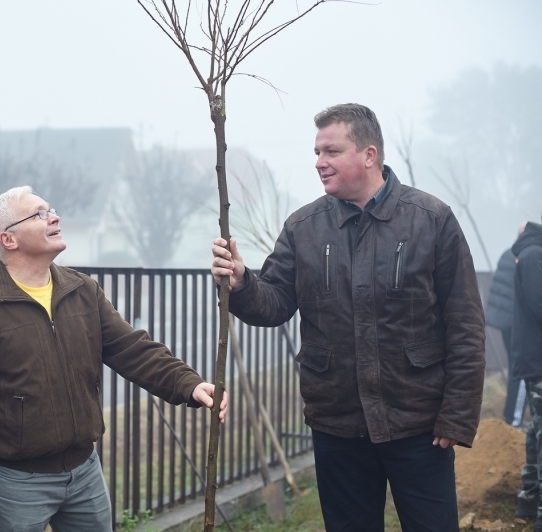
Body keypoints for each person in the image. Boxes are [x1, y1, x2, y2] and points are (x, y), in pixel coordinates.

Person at [211, 103, 485, 532]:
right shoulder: (304, 228)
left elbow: (465, 324)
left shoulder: (431, 220)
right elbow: (275, 303)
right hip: (338, 426)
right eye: (317, 152)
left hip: (419, 424)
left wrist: (457, 415)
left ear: (369, 155)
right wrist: (243, 282)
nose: (319, 163)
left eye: (331, 151)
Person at [0, 186, 228, 531]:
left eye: (50, 209)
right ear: (9, 240)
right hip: (16, 483)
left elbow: (132, 349)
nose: (54, 217)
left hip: (85, 472)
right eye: (39, 214)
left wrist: (189, 384)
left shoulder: (82, 290)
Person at [511, 218, 542, 530]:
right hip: (539, 360)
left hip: (535, 359)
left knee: (537, 433)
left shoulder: (532, 253)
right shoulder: (534, 255)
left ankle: (528, 502)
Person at [486, 223, 528, 426]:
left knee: (515, 368)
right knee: (521, 370)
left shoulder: (506, 253)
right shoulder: (526, 256)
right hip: (516, 322)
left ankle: (512, 416)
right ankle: (514, 419)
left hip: (503, 322)